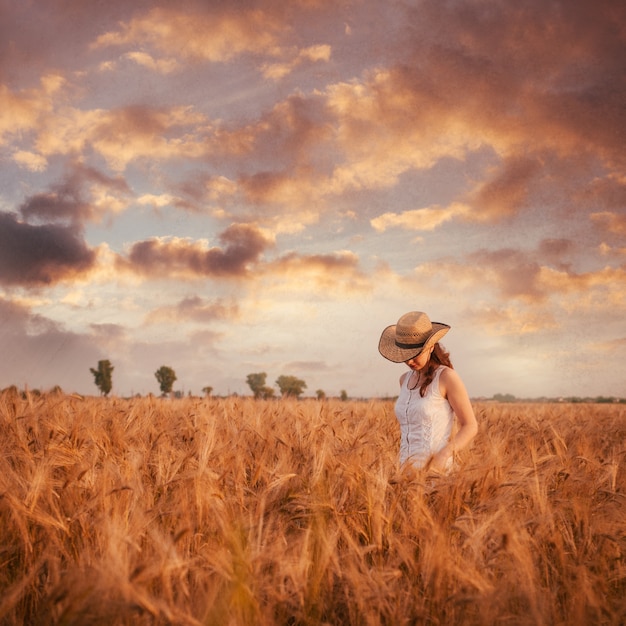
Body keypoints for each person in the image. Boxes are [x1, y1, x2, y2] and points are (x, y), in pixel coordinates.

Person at [378, 311, 477, 472]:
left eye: (415, 354)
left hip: (435, 473)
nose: (409, 361)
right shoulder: (404, 380)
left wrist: (443, 455)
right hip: (405, 473)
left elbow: (470, 426)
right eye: (405, 355)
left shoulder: (446, 377)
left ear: (430, 347)